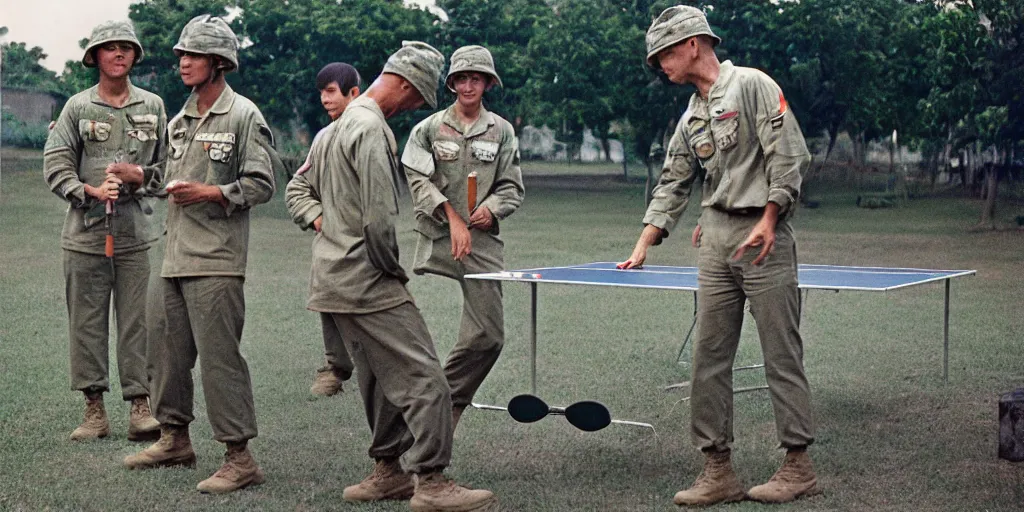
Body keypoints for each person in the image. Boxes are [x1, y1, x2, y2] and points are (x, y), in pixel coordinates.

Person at [285, 41, 497, 512]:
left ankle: (387, 472)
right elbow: (379, 220)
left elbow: (297, 187)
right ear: (401, 83)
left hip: (331, 279)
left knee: (380, 379)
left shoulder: (331, 130)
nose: (416, 107)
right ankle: (433, 482)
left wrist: (326, 226)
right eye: (418, 97)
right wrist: (391, 271)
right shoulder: (371, 130)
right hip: (367, 278)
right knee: (427, 379)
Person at [620, 5, 817, 506]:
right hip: (716, 242)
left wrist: (771, 219)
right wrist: (646, 240)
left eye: (664, 53)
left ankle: (797, 466)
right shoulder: (690, 115)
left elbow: (789, 156)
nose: (660, 65)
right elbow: (674, 182)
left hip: (763, 238)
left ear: (693, 44)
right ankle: (717, 469)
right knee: (708, 357)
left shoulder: (751, 84)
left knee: (780, 352)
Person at [123, 14, 276, 495]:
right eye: (181, 55)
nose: (183, 63)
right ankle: (174, 439)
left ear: (219, 62)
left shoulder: (243, 115)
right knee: (164, 355)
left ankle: (239, 457)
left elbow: (262, 183)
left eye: (193, 55)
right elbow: (167, 179)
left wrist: (211, 193)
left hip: (216, 261)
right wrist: (137, 177)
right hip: (173, 256)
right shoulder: (179, 120)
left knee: (219, 361)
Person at [43, 19, 164, 443]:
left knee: (139, 323)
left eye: (125, 47)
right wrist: (88, 190)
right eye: (109, 47)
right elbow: (55, 165)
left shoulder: (153, 106)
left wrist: (140, 175)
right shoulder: (77, 107)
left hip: (134, 233)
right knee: (87, 324)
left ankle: (140, 407)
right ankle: (94, 410)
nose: (118, 53)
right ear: (94, 56)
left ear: (135, 55)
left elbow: (167, 170)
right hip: (85, 234)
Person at [401, 45, 524, 430]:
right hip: (438, 234)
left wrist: (493, 208)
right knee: (400, 323)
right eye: (461, 79)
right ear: (452, 83)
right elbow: (417, 179)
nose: (468, 85)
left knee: (488, 335)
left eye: (476, 78)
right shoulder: (428, 129)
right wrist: (451, 217)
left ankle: (446, 405)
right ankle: (411, 406)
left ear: (487, 83)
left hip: (481, 240)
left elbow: (512, 188)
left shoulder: (502, 130)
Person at [290, 62, 361, 398]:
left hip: (364, 239)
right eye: (321, 92)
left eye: (331, 91)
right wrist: (316, 216)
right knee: (329, 302)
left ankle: (377, 367)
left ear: (354, 93)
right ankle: (335, 367)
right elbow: (297, 188)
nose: (324, 99)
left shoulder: (368, 133)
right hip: (330, 241)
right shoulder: (322, 138)